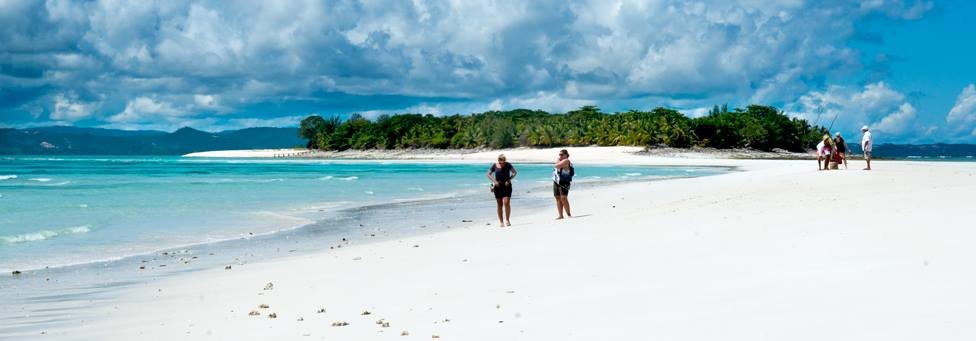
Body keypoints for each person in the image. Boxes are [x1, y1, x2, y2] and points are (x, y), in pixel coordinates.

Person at [487, 154, 517, 227]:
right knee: (499, 204)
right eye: (500, 163)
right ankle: (501, 222)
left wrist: (509, 179)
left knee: (506, 203)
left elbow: (515, 172)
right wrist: (494, 181)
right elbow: (488, 174)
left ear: (505, 161)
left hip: (507, 186)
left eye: (503, 162)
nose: (502, 164)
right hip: (498, 186)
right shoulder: (494, 165)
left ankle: (507, 220)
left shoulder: (508, 165)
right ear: (498, 161)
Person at [553, 149, 573, 219]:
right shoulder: (561, 160)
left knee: (563, 198)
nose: (560, 156)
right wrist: (558, 160)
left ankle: (569, 214)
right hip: (556, 181)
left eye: (561, 155)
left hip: (564, 181)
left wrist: (558, 160)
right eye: (559, 155)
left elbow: (557, 166)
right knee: (557, 197)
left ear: (566, 155)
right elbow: (557, 166)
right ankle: (561, 215)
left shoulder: (566, 161)